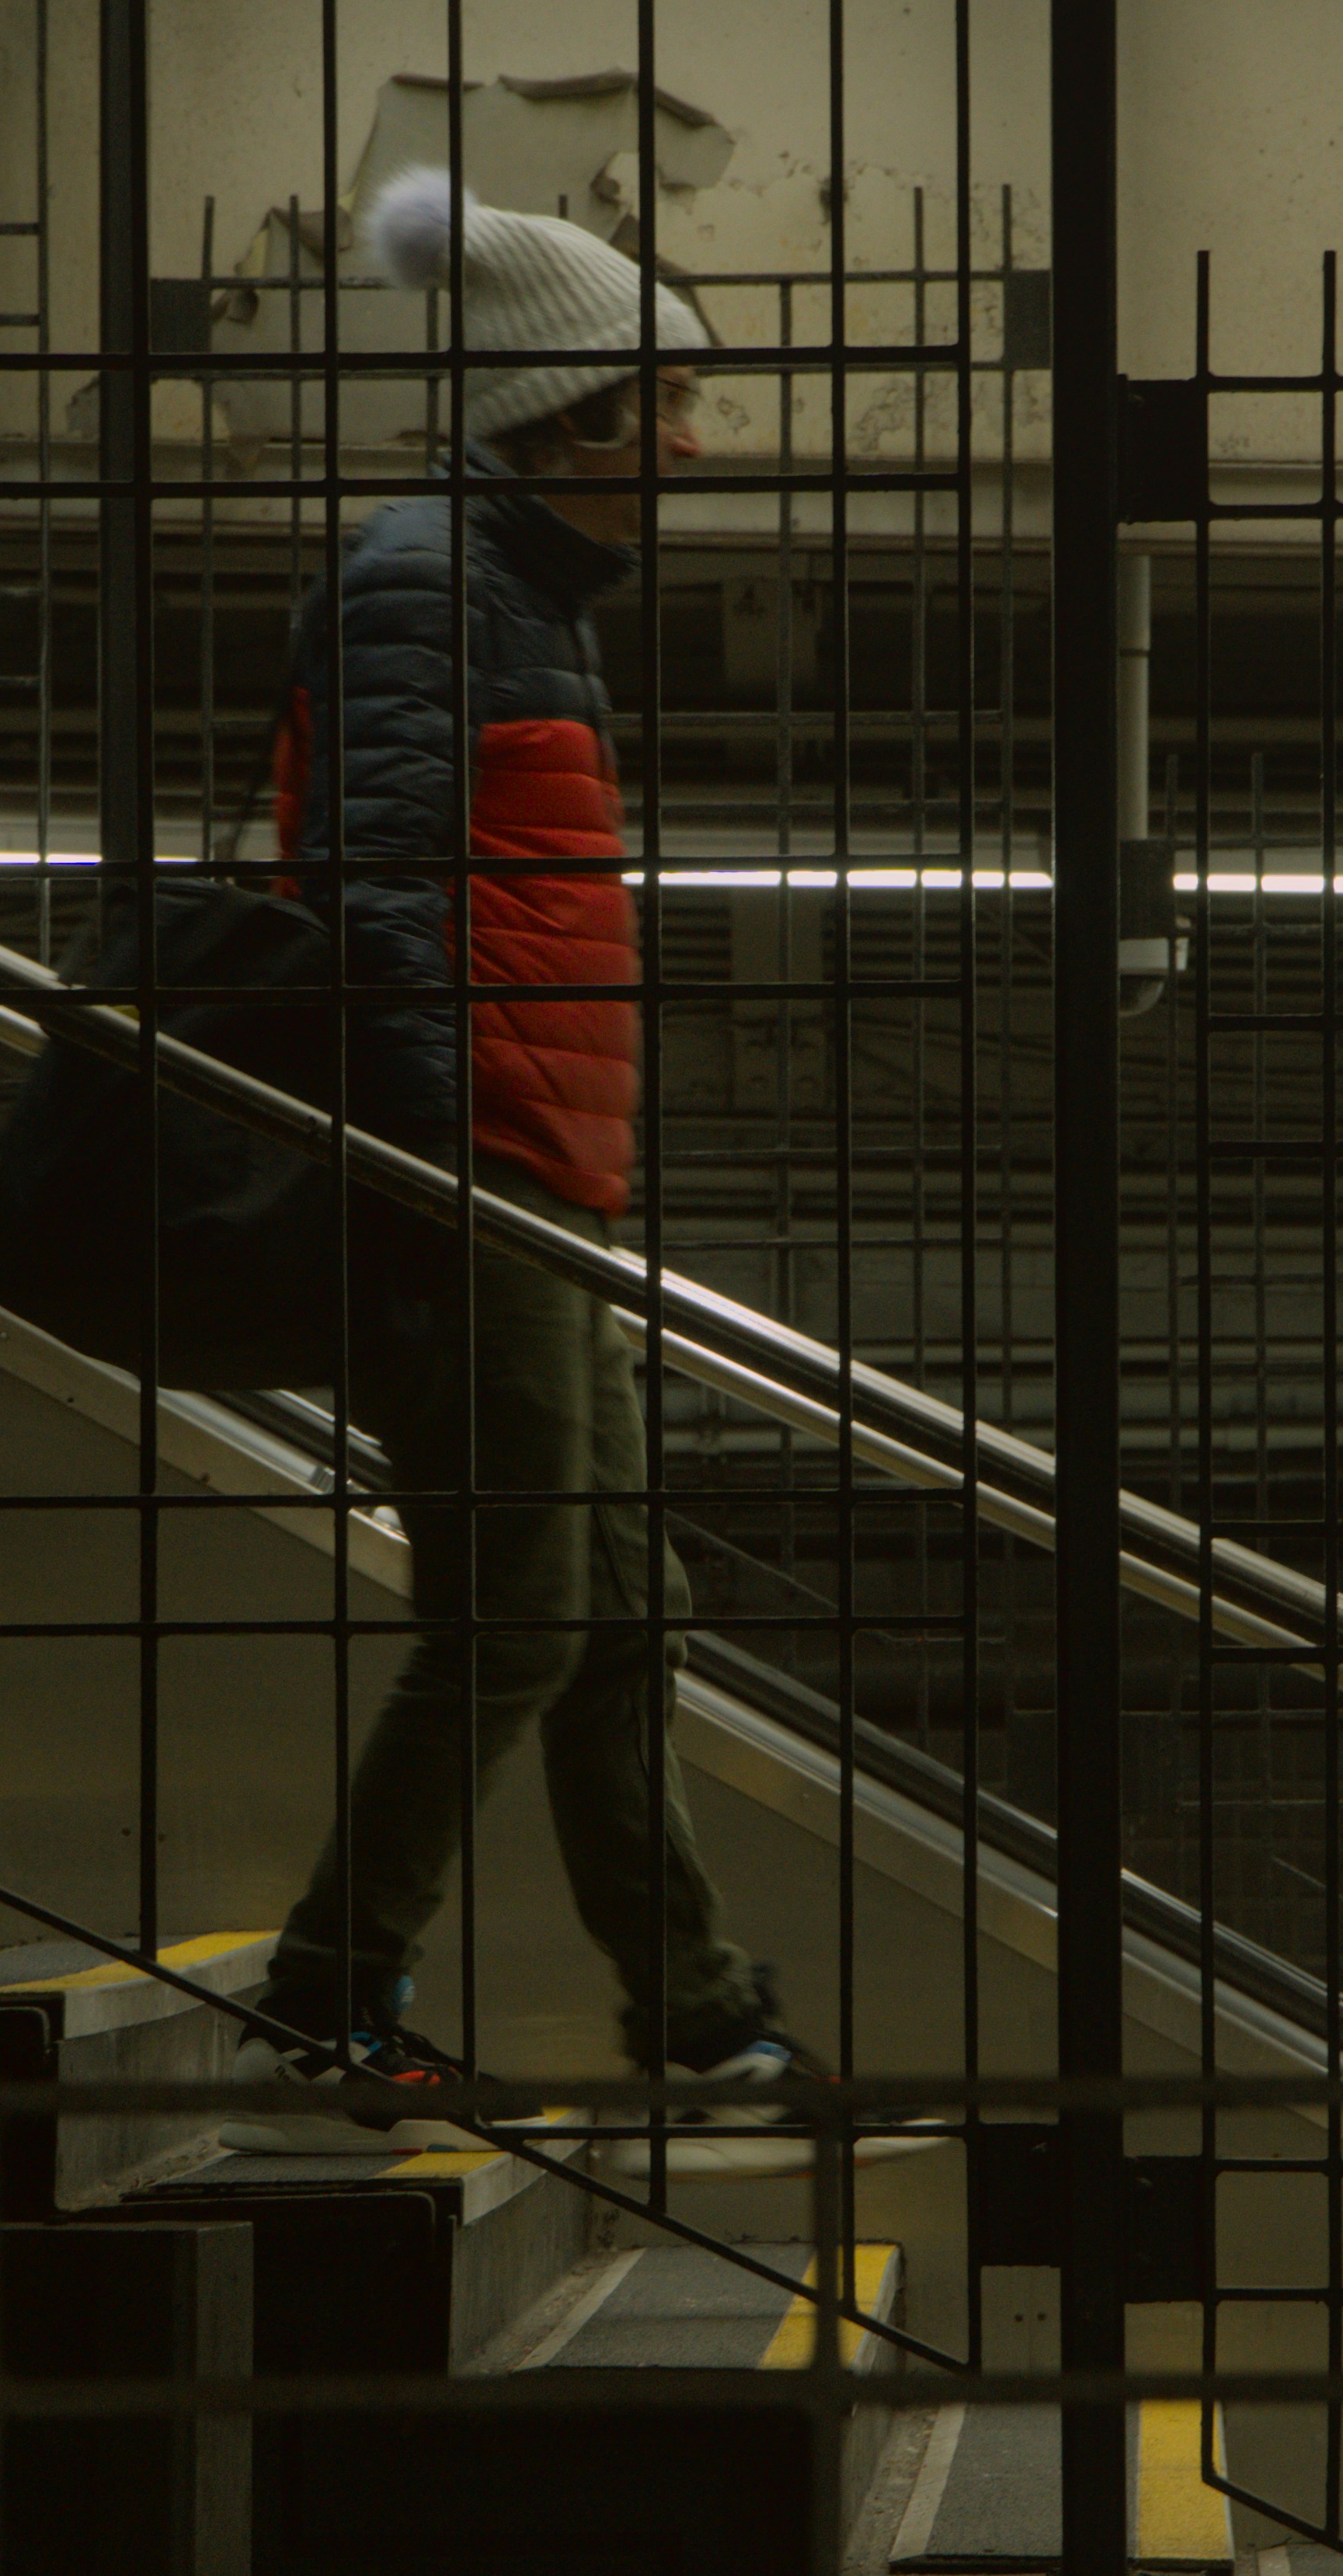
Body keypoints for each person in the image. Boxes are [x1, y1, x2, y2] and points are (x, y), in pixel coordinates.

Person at [225, 168, 824, 2164]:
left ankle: (707, 2018)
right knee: (519, 1611)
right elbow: (381, 881)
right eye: (663, 400)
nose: (691, 440)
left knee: (616, 1606)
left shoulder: (512, 602)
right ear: (563, 414)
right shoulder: (424, 580)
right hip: (466, 1170)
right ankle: (325, 1996)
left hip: (537, 1175)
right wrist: (433, 1161)